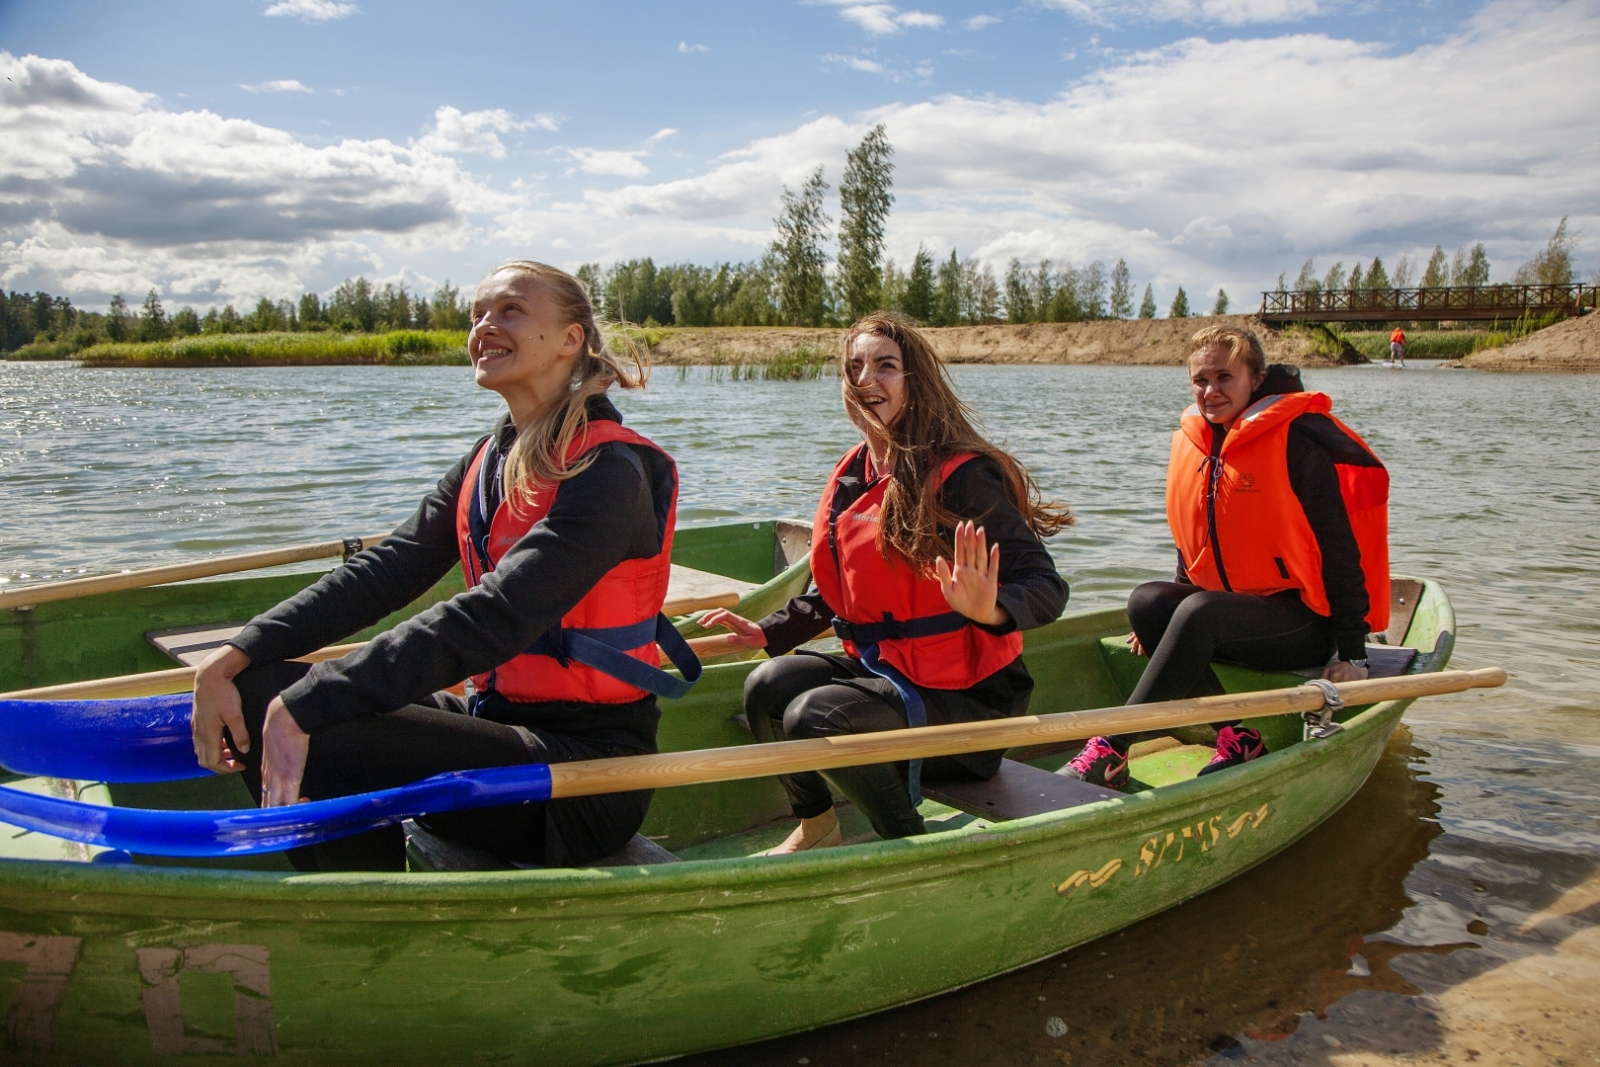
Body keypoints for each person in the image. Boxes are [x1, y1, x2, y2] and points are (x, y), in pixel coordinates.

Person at [189, 261, 697, 871]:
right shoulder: (488, 459)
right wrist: (239, 650)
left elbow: (496, 615)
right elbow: (388, 568)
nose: (485, 326)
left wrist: (316, 698)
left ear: (571, 339)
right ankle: (360, 893)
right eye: (477, 314)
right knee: (254, 687)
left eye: (510, 310)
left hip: (581, 777)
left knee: (311, 711)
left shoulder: (610, 472)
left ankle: (369, 917)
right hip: (498, 724)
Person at [700, 314, 1070, 854]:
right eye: (854, 367)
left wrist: (987, 607)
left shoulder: (964, 477)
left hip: (970, 701)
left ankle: (908, 848)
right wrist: (766, 631)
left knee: (814, 717)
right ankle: (817, 828)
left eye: (885, 366)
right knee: (768, 686)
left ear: (914, 382)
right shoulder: (856, 471)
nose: (866, 378)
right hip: (892, 670)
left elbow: (1046, 587)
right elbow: (844, 591)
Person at [1066, 325, 1390, 789]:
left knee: (1199, 611)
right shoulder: (1198, 442)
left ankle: (1111, 746)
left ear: (1256, 379)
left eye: (1224, 378)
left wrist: (1353, 650)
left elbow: (1340, 551)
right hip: (1235, 614)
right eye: (1200, 380)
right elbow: (1194, 540)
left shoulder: (1296, 442)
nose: (1210, 391)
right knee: (1146, 603)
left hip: (1304, 622)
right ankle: (1238, 739)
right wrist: (1164, 626)